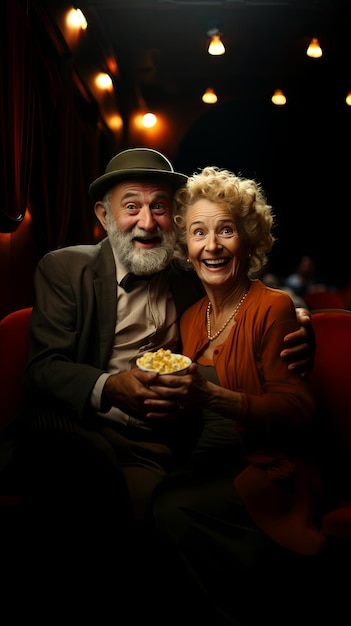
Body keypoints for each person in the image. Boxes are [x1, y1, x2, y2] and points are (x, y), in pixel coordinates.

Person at [11, 149, 315, 620]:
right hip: (90, 426)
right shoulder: (65, 268)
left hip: (166, 440)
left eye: (159, 208)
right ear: (103, 213)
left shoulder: (188, 278)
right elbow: (43, 368)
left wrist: (300, 320)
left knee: (157, 516)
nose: (146, 222)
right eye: (131, 206)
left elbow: (246, 301)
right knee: (98, 492)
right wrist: (112, 388)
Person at [150, 166, 326, 625]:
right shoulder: (191, 316)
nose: (212, 245)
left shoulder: (274, 306)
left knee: (173, 512)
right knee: (144, 508)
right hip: (201, 460)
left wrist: (211, 397)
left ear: (249, 240)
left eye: (226, 230)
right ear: (186, 248)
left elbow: (299, 410)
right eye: (198, 232)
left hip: (264, 466)